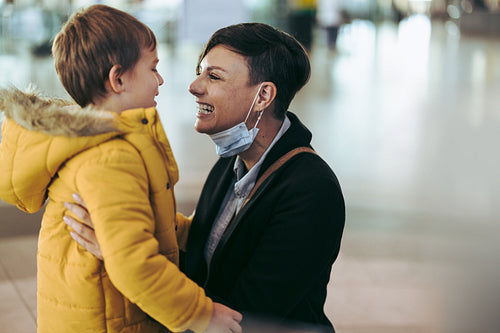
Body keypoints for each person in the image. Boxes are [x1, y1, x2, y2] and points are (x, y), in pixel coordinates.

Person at [64, 23, 345, 332]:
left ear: (264, 95)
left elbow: (245, 319)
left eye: (213, 76)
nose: (194, 86)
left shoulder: (311, 191)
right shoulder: (231, 163)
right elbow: (200, 262)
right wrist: (126, 241)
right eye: (200, 72)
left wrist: (120, 258)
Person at [0, 5, 241, 333]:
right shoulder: (109, 157)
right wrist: (202, 313)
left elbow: (144, 220)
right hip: (107, 322)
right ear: (118, 78)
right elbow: (134, 263)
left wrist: (197, 232)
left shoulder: (101, 143)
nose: (161, 79)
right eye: (153, 68)